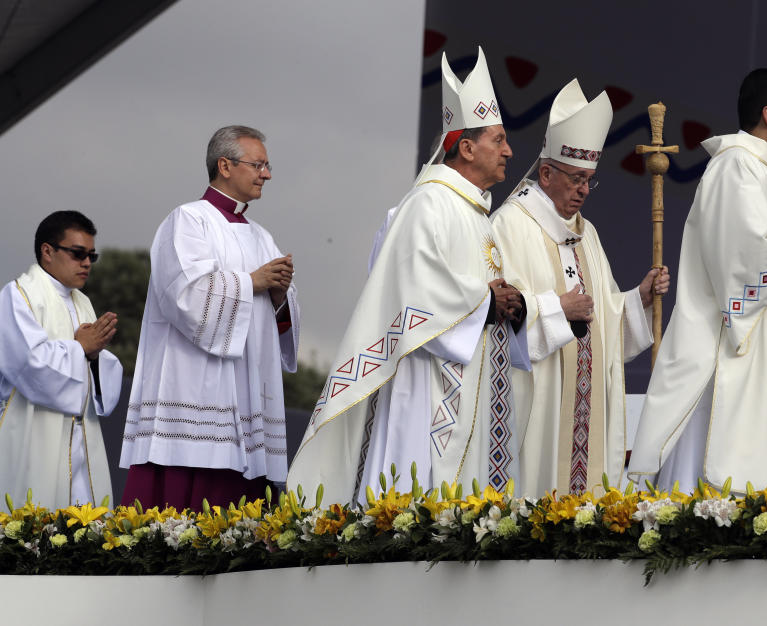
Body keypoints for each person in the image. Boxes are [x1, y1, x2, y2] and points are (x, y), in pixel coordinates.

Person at [288, 47, 530, 503]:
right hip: (427, 383)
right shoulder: (428, 203)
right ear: (466, 146)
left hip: (474, 375)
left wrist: (509, 300)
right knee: (417, 495)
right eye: (499, 140)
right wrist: (484, 301)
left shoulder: (477, 213)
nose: (509, 151)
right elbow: (412, 289)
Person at [628, 68, 767, 495]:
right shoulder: (735, 168)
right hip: (726, 356)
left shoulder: (765, 174)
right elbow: (745, 264)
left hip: (766, 360)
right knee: (712, 493)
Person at [491, 79, 669, 496]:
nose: (584, 191)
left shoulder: (586, 234)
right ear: (547, 173)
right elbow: (500, 317)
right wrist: (557, 311)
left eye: (590, 180)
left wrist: (636, 300)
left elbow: (601, 316)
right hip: (540, 400)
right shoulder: (510, 225)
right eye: (575, 179)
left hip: (585, 413)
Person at [120, 125, 299, 511]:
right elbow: (183, 294)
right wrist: (250, 282)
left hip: (248, 388)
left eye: (267, 166)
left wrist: (280, 295)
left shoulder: (262, 236)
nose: (266, 174)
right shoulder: (187, 221)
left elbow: (276, 319)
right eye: (258, 164)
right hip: (196, 387)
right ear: (225, 165)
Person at [0, 211, 122, 508]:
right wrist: (79, 349)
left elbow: (94, 369)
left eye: (92, 256)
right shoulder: (20, 295)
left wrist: (94, 357)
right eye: (78, 253)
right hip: (35, 436)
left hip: (81, 437)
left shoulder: (83, 302)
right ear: (47, 251)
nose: (86, 263)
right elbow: (29, 365)